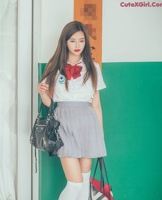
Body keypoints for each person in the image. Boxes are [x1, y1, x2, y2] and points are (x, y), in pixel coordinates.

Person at [37, 21, 107, 200]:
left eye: (81, 41)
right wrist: (42, 93)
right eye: (73, 41)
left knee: (84, 183)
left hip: (88, 124)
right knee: (74, 184)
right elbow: (50, 103)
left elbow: (96, 104)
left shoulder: (94, 67)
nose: (77, 45)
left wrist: (99, 134)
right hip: (64, 124)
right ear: (65, 42)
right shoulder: (54, 66)